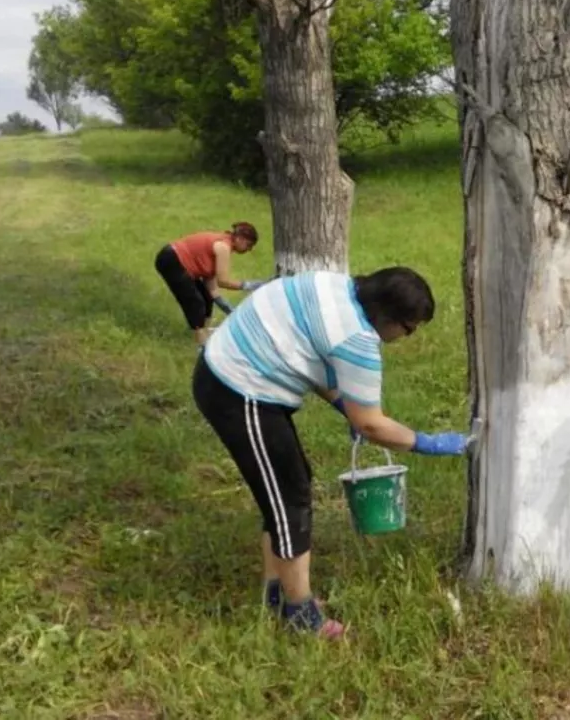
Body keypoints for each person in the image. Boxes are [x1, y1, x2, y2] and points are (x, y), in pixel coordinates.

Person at [191, 265, 471, 638]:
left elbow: (312, 358)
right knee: (290, 500)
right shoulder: (356, 339)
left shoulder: (334, 286)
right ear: (387, 319)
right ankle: (299, 614)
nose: (407, 337)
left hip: (232, 366)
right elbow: (372, 424)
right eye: (408, 328)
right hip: (239, 389)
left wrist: (346, 406)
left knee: (288, 489)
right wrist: (428, 442)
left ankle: (278, 593)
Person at [154, 222, 266, 345]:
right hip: (172, 260)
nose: (249, 249)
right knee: (196, 303)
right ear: (239, 238)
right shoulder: (223, 246)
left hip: (180, 263)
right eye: (248, 245)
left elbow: (210, 278)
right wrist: (249, 285)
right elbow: (223, 281)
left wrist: (221, 302)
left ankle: (205, 335)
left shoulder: (224, 243)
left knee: (207, 298)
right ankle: (202, 346)